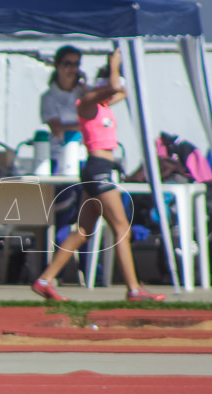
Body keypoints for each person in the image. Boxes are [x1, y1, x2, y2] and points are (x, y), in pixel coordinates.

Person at [31, 49, 164, 302]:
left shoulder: (100, 104)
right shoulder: (87, 103)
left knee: (83, 231)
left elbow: (124, 89)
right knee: (121, 227)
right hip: (98, 169)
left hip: (100, 170)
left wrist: (124, 64)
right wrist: (114, 64)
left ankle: (44, 280)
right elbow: (114, 86)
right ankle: (134, 290)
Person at [40, 45, 89, 276]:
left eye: (75, 64)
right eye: (67, 64)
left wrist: (85, 87)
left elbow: (97, 117)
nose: (72, 69)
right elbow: (58, 130)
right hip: (61, 162)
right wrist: (82, 128)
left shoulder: (83, 95)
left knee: (87, 217)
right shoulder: (49, 97)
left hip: (84, 160)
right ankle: (55, 272)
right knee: (62, 216)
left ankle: (90, 271)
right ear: (58, 66)